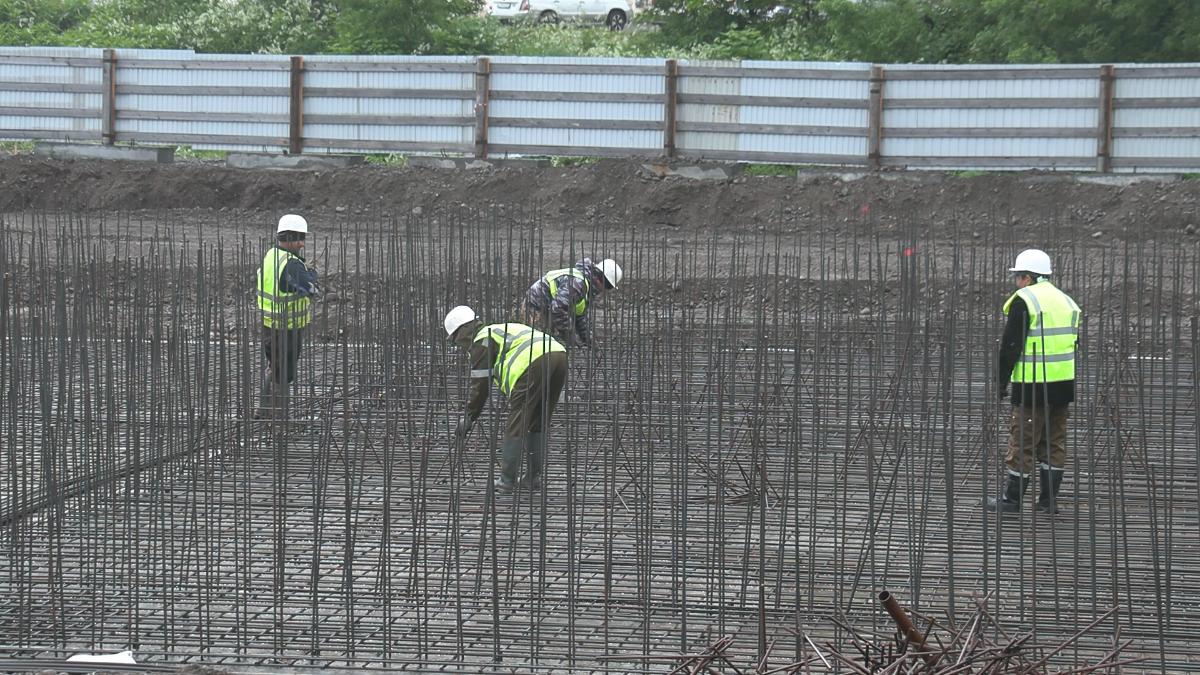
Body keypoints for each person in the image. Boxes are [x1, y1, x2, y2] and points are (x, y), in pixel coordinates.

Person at [988, 249, 1081, 514]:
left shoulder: (1025, 300)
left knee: (1023, 442)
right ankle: (1048, 502)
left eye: (1018, 277)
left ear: (1027, 277)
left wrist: (1000, 382)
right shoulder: (1066, 301)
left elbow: (1011, 346)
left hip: (1032, 386)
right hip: (1063, 385)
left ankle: (1012, 500)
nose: (1016, 282)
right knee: (1054, 442)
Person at [444, 305, 568, 494]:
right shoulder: (497, 330)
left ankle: (506, 480)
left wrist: (470, 416)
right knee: (538, 420)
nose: (458, 344)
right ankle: (534, 477)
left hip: (533, 363)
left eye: (455, 339)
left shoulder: (481, 341)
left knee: (517, 421)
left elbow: (481, 386)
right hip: (559, 355)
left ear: (461, 332)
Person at [256, 214, 320, 419]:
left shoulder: (272, 255)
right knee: (284, 372)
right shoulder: (291, 264)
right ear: (293, 238)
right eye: (301, 238)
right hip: (287, 327)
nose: (303, 244)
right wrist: (312, 276)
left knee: (274, 365)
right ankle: (278, 416)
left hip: (270, 324)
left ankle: (264, 410)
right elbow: (310, 289)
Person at [520, 258, 621, 349]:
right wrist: (570, 336)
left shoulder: (587, 287)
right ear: (600, 280)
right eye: (608, 287)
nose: (605, 291)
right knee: (538, 346)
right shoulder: (578, 283)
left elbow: (580, 316)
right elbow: (558, 309)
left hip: (549, 308)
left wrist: (589, 340)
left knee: (554, 346)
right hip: (535, 307)